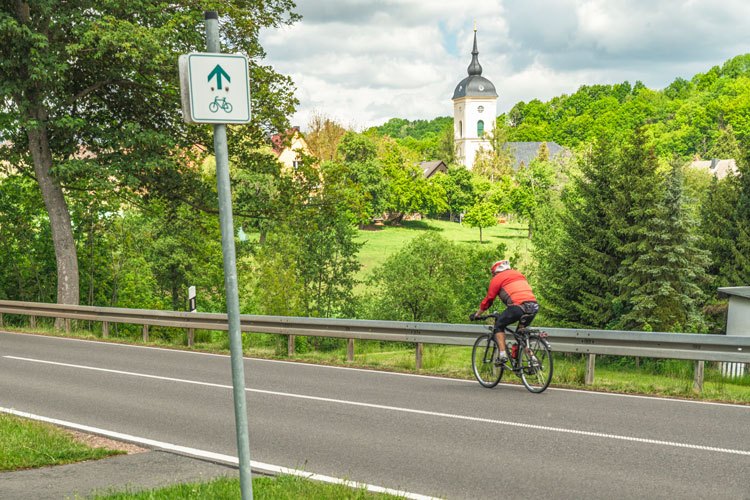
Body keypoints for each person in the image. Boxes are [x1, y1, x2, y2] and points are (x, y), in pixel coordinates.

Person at [470, 260, 539, 364]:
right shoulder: (518, 274)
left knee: (499, 325)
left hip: (518, 307)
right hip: (533, 306)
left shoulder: (497, 278)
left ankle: (502, 355)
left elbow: (489, 300)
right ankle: (533, 359)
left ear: (496, 271)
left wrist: (477, 314)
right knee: (520, 334)